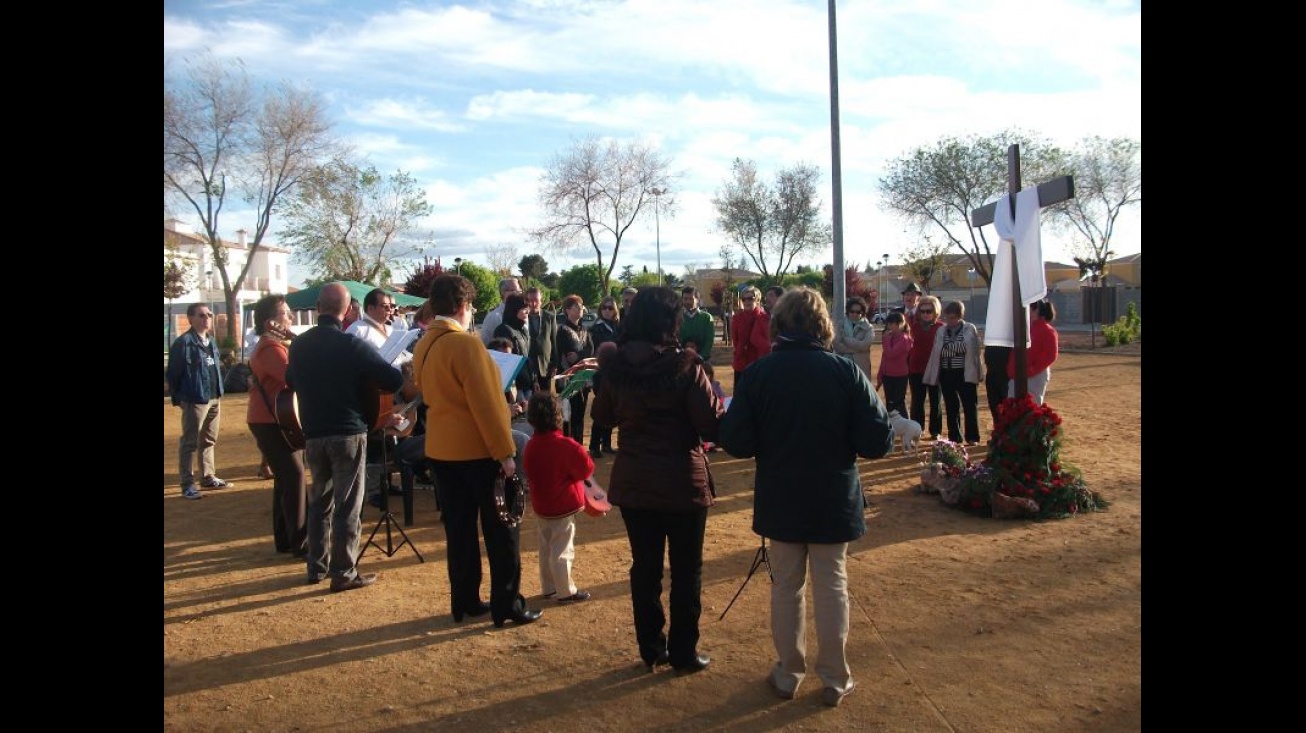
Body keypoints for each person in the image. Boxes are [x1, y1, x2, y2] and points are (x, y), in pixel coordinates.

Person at [717, 286, 893, 708]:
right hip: (834, 494)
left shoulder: (759, 374)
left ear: (779, 324)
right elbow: (877, 440)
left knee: (786, 587)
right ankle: (834, 677)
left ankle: (787, 672)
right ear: (822, 325)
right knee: (832, 585)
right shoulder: (845, 372)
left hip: (782, 494)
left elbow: (736, 441)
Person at [591, 286, 725, 675]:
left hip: (635, 480)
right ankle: (683, 651)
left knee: (644, 567)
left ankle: (651, 648)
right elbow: (710, 423)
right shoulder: (686, 365)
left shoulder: (616, 366)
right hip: (682, 480)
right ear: (671, 321)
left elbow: (602, 417)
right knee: (686, 570)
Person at [413, 274, 542, 627]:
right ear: (462, 306)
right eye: (470, 307)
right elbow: (487, 406)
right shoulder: (466, 345)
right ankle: (507, 604)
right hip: (477, 452)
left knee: (460, 532)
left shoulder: (425, 342)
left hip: (441, 450)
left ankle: (465, 600)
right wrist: (505, 453)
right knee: (503, 531)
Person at [286, 282, 405, 592]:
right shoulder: (351, 345)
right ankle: (344, 572)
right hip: (348, 432)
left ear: (317, 308)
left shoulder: (298, 345)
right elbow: (391, 379)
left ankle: (316, 566)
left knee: (320, 502)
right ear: (348, 310)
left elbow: (289, 380)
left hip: (313, 433)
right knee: (348, 504)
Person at [246, 294, 307, 556]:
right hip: (269, 420)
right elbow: (293, 377)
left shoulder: (273, 345)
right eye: (286, 313)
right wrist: (296, 341)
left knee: (285, 479)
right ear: (271, 322)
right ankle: (300, 543)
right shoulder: (271, 348)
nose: (291, 317)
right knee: (294, 476)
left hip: (274, 418)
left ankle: (285, 538)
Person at [522, 392, 594, 604]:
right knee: (562, 549)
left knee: (545, 547)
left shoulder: (531, 445)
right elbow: (585, 470)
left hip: (541, 504)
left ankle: (549, 587)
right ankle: (565, 590)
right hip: (562, 505)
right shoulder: (567, 445)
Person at [167, 303, 231, 499]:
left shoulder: (211, 341)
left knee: (209, 439)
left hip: (213, 397)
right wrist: (181, 398)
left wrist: (218, 392)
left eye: (209, 315)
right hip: (195, 398)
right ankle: (187, 484)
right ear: (191, 319)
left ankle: (208, 476)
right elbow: (173, 374)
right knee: (189, 442)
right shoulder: (183, 343)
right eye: (202, 315)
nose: (207, 319)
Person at [923, 300, 982, 446]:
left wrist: (949, 348)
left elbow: (969, 347)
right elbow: (939, 350)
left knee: (969, 405)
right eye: (948, 317)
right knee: (951, 406)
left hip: (965, 373)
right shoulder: (941, 330)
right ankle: (954, 437)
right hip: (946, 373)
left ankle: (972, 437)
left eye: (953, 317)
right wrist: (956, 348)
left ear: (960, 316)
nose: (950, 321)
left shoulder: (969, 328)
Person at [556, 294, 594, 445]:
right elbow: (568, 354)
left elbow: (591, 350)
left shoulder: (585, 329)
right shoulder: (563, 330)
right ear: (567, 310)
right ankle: (569, 445)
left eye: (581, 307)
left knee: (580, 412)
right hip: (569, 379)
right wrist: (581, 354)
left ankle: (578, 444)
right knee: (568, 414)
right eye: (576, 307)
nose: (580, 310)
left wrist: (579, 354)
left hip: (583, 377)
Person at [587, 295, 621, 458]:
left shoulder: (617, 326)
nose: (607, 311)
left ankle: (606, 443)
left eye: (610, 308)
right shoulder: (596, 328)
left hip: (615, 374)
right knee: (601, 409)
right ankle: (594, 445)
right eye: (604, 308)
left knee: (613, 409)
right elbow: (594, 352)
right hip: (601, 374)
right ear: (600, 310)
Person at [1007, 299, 1060, 405]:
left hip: (1035, 375)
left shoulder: (1047, 330)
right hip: (1017, 374)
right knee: (1012, 405)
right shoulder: (1023, 328)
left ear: (1035, 310)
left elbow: (1050, 355)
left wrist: (1031, 369)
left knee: (1032, 405)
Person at [907, 294, 944, 440]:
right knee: (917, 400)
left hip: (935, 369)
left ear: (936, 311)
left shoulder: (941, 327)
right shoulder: (912, 326)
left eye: (929, 311)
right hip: (916, 368)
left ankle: (935, 431)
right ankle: (918, 429)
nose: (926, 314)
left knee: (935, 401)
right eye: (922, 311)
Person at [493, 293, 535, 398]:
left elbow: (527, 358)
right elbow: (504, 362)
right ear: (515, 309)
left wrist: (534, 380)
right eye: (524, 308)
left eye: (528, 308)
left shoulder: (522, 330)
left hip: (527, 384)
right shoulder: (503, 330)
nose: (528, 311)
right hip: (515, 387)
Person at [730, 285, 772, 384]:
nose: (747, 302)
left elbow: (767, 340)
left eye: (750, 299)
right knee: (740, 396)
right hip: (741, 363)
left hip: (759, 363)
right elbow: (735, 340)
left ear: (757, 300)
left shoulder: (765, 318)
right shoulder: (737, 318)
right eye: (744, 299)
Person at [875, 311, 912, 419]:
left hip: (900, 375)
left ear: (900, 324)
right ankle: (892, 426)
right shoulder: (890, 338)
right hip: (888, 375)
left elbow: (891, 354)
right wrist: (880, 374)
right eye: (888, 324)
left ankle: (906, 423)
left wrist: (885, 340)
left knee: (899, 402)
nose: (889, 326)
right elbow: (885, 357)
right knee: (889, 403)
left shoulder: (904, 339)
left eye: (892, 324)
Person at [524, 286, 560, 393]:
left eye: (536, 301)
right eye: (529, 301)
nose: (533, 304)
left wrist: (555, 365)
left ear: (541, 301)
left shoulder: (550, 317)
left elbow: (554, 342)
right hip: (529, 369)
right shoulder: (522, 318)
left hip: (546, 368)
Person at [833, 295, 874, 378]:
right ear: (848, 311)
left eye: (858, 312)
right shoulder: (840, 325)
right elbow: (837, 345)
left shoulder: (868, 328)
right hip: (842, 366)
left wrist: (844, 339)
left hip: (862, 368)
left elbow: (865, 346)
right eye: (852, 311)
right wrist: (857, 349)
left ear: (862, 312)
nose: (854, 314)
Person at [479, 277, 523, 346]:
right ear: (503, 292)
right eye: (515, 290)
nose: (519, 294)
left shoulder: (523, 315)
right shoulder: (493, 317)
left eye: (520, 291)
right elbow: (485, 345)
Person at [679, 286, 714, 359]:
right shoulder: (677, 317)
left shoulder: (707, 318)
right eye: (685, 299)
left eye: (691, 299)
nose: (688, 302)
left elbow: (709, 340)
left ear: (697, 300)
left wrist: (700, 356)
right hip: (681, 357)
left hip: (702, 358)